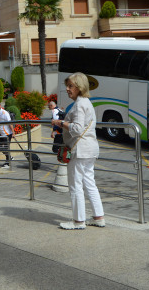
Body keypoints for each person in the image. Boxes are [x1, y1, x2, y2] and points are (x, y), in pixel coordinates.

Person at [54, 72, 105, 230]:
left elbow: (77, 129)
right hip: (90, 149)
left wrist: (60, 122)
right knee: (89, 183)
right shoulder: (86, 102)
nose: (67, 89)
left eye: (71, 86)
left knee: (75, 185)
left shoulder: (80, 104)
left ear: (80, 87)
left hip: (81, 150)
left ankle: (78, 221)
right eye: (67, 86)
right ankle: (98, 217)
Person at [0, 102, 14, 168]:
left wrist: (13, 133)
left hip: (7, 134)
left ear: (0, 106)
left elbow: (10, 123)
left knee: (6, 148)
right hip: (2, 134)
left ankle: (7, 163)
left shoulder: (5, 113)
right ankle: (9, 157)